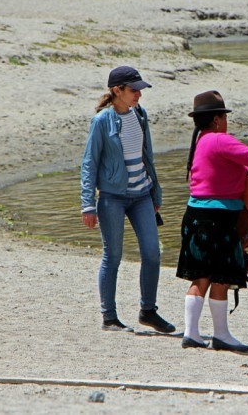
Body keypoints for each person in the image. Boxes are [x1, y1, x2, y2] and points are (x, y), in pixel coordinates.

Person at [177, 90, 248, 351]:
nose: (226, 122)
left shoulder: (202, 140)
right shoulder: (219, 139)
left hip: (195, 215)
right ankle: (221, 335)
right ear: (217, 120)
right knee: (221, 277)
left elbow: (236, 166)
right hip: (218, 218)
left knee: (200, 276)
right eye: (224, 117)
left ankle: (192, 333)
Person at [80, 66, 175, 334]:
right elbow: (89, 163)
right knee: (113, 256)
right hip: (112, 197)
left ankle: (148, 311)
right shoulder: (102, 122)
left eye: (140, 90)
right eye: (134, 90)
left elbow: (148, 157)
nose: (139, 95)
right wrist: (88, 204)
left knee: (152, 253)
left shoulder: (140, 115)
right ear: (116, 91)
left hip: (142, 195)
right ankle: (109, 317)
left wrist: (156, 192)